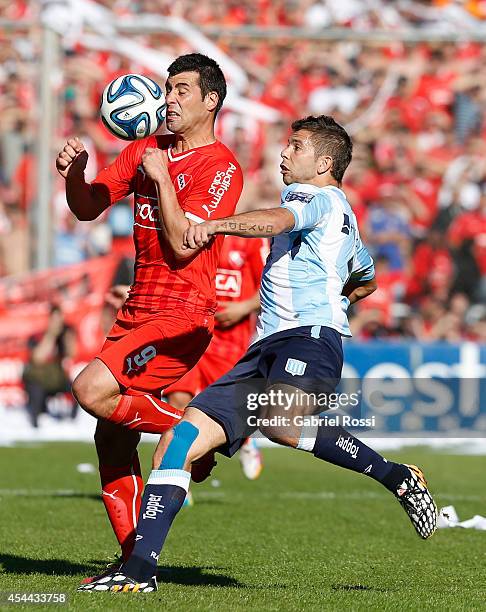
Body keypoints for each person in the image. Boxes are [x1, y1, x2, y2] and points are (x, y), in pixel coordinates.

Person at [80, 115, 438, 594]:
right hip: (265, 346)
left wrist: (213, 225)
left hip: (307, 338)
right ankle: (139, 571)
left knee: (280, 421)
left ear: (325, 162)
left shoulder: (319, 198)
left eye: (297, 146)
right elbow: (367, 276)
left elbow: (277, 220)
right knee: (180, 440)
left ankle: (397, 476)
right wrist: (343, 297)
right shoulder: (342, 217)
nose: (285, 154)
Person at [55, 54, 243, 574]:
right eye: (167, 87)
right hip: (137, 308)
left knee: (91, 389)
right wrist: (75, 175)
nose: (170, 98)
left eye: (182, 90)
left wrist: (159, 179)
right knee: (110, 434)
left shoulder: (221, 166)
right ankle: (133, 558)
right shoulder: (142, 149)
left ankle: (194, 436)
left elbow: (185, 246)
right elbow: (87, 207)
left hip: (184, 311)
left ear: (211, 100)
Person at [164, 234, 269, 482]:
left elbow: (271, 284)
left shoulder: (250, 239)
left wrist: (243, 307)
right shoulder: (191, 230)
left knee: (224, 410)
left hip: (229, 341)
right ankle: (177, 479)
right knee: (178, 401)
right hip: (189, 332)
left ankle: (243, 438)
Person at [22, 305, 76, 428]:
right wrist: (51, 334)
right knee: (37, 394)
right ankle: (34, 426)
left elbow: (71, 353)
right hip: (37, 378)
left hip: (55, 378)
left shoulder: (63, 336)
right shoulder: (37, 336)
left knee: (76, 389)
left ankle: (72, 422)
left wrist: (69, 338)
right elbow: (38, 358)